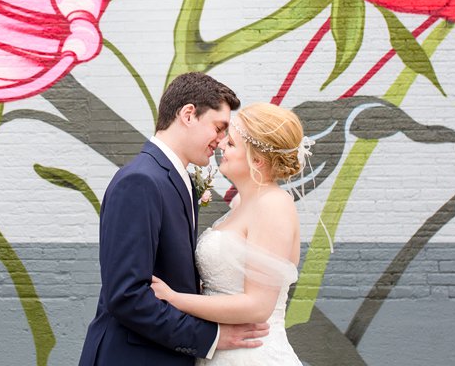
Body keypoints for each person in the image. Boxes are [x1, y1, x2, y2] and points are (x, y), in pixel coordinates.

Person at [79, 72, 270, 365]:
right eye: (218, 128)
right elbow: (126, 296)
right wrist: (210, 336)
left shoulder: (177, 180)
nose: (220, 142)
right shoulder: (140, 181)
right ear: (189, 114)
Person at [150, 102, 308, 365]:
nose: (221, 145)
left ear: (257, 160)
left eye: (232, 143)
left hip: (252, 354)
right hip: (221, 352)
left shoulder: (273, 205)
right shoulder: (240, 206)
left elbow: (258, 306)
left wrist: (176, 299)